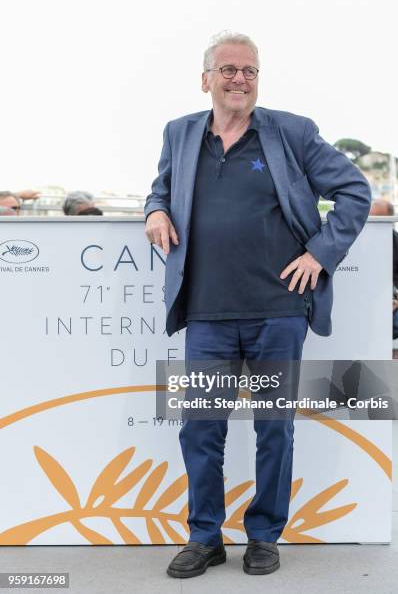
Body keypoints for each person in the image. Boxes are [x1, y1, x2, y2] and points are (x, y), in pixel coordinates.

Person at [144, 31, 371, 578]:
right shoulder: (179, 134)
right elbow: (160, 189)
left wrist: (321, 253)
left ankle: (264, 536)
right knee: (200, 428)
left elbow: (355, 191)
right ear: (206, 80)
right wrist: (154, 211)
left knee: (274, 426)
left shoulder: (291, 131)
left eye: (249, 70)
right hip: (205, 312)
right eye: (228, 70)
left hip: (278, 311)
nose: (239, 79)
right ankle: (205, 537)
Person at [370, 199, 398, 339]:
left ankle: (378, 339)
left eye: (377, 220)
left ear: (391, 221)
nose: (372, 224)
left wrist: (396, 302)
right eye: (369, 219)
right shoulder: (358, 240)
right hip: (363, 299)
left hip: (391, 301)